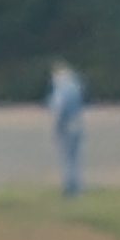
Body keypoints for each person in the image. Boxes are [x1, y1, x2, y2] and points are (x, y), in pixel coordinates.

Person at [46, 62, 86, 198]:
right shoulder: (76, 87)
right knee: (75, 158)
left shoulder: (62, 90)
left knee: (67, 158)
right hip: (77, 125)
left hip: (66, 126)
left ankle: (70, 187)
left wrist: (55, 128)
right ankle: (77, 185)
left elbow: (58, 110)